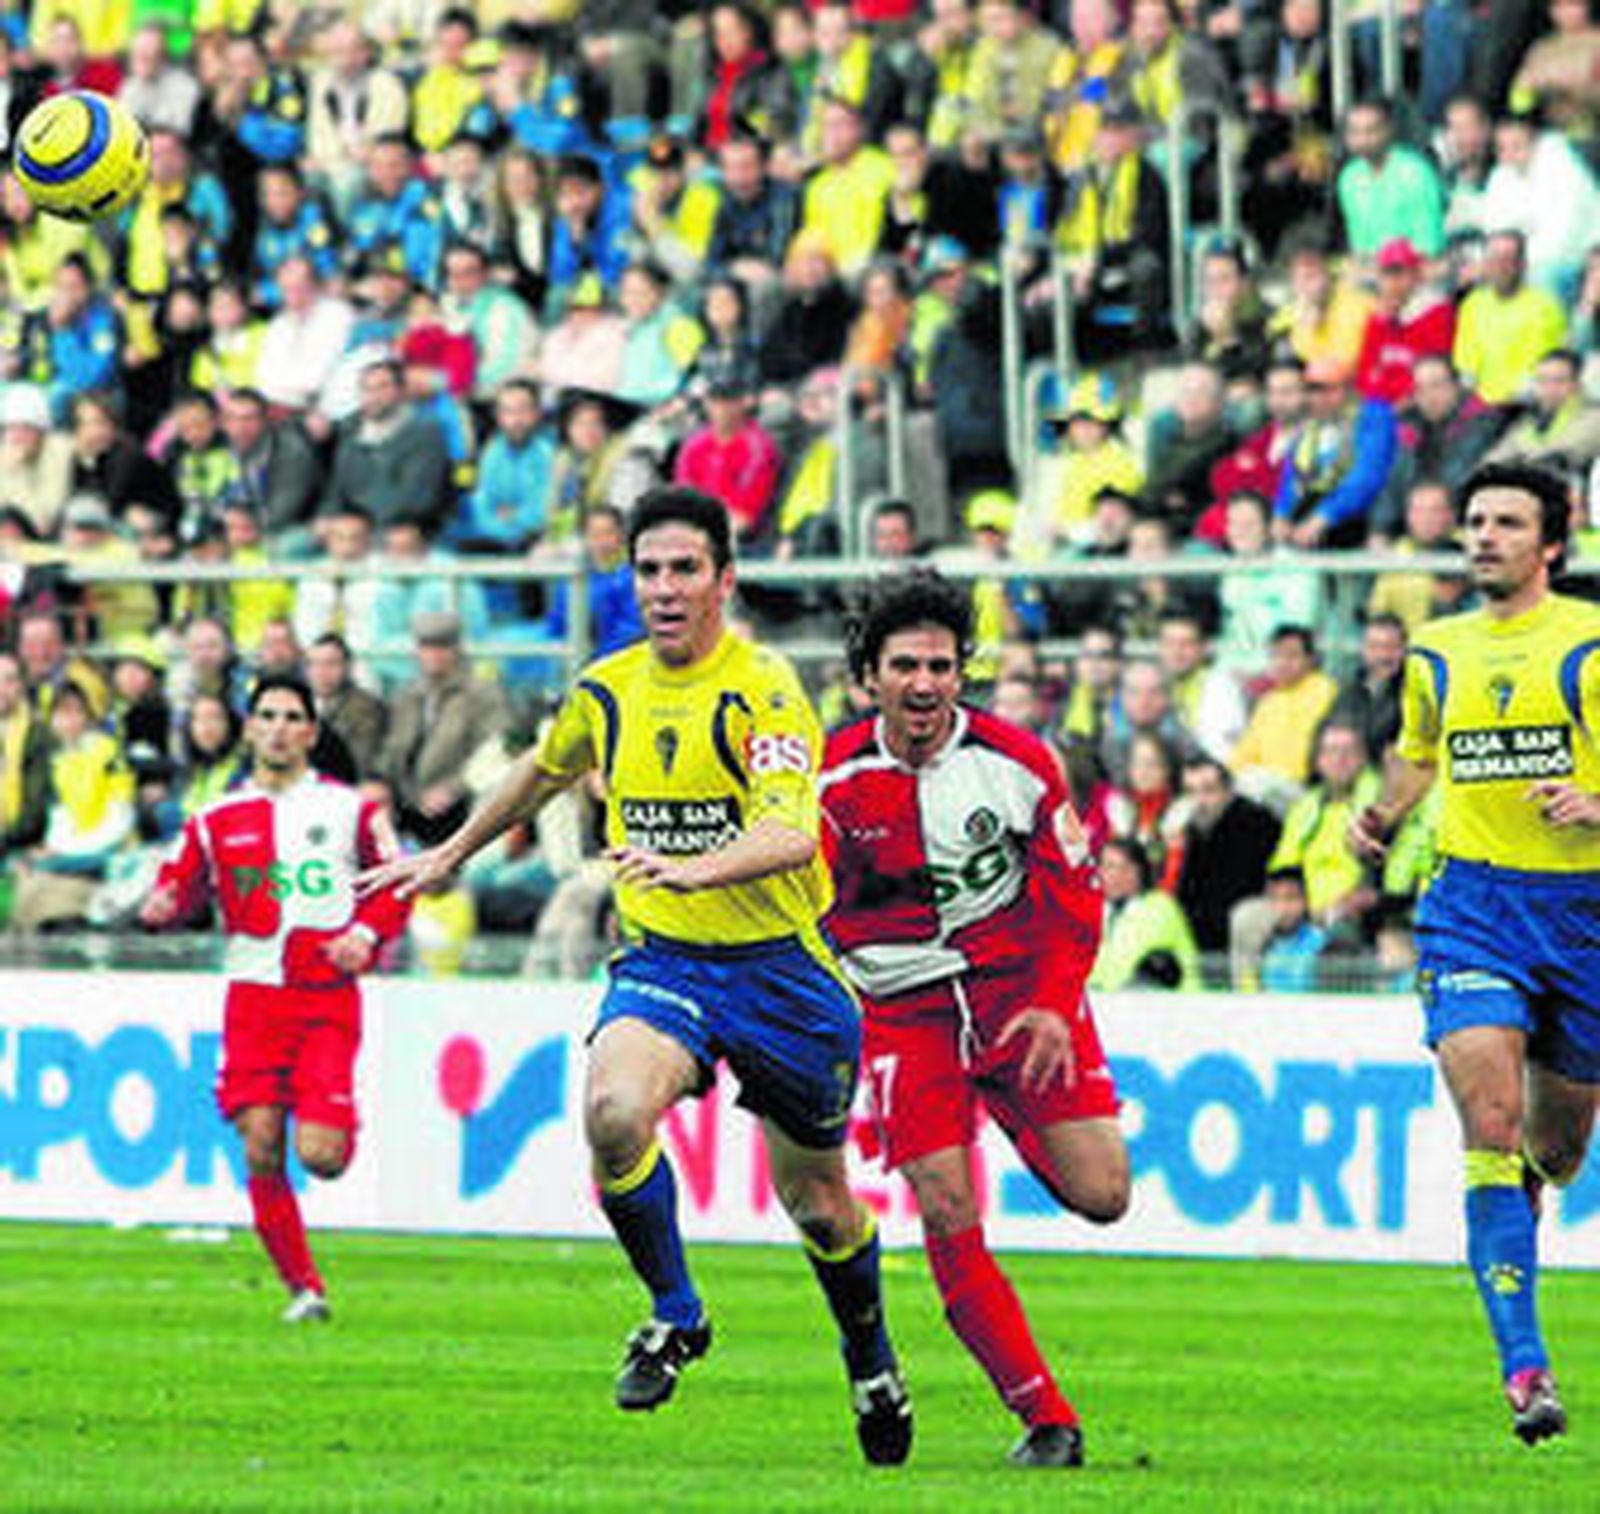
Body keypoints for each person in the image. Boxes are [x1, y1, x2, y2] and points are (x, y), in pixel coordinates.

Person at [358, 487, 912, 1464]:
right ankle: (676, 1311)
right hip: (668, 960)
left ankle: (869, 1356)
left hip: (784, 970)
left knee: (820, 1202)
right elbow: (543, 764)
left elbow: (789, 829)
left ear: (723, 580)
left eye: (684, 568)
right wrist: (449, 851)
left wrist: (695, 866)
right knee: (613, 1110)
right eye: (647, 568)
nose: (662, 586)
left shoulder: (766, 686)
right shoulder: (607, 686)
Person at [820, 568, 1128, 1470]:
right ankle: (1047, 1420)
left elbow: (1077, 893)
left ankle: (1021, 1118)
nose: (925, 683)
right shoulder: (830, 782)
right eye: (905, 665)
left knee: (1104, 1194)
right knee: (948, 1203)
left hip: (1014, 1001)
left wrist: (1052, 1000)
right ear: (868, 675)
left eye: (942, 665)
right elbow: (794, 899)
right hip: (902, 1017)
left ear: (963, 672)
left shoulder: (1019, 763)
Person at [1350, 460, 1600, 1446]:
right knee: (1487, 1120)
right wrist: (1382, 809)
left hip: (1583, 911)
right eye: (1473, 519)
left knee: (1557, 1144)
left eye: (1505, 521)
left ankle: (1529, 1198)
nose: (1482, 535)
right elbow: (1420, 745)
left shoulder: (1588, 642)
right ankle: (1523, 1365)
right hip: (1473, 902)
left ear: (1550, 541)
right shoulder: (1436, 649)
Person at [139, 676, 411, 1323]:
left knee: (322, 1156)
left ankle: (337, 1122)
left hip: (325, 999)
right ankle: (305, 1288)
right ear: (250, 728)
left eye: (293, 716)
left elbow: (397, 883)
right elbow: (176, 886)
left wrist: (365, 932)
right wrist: (163, 904)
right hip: (254, 998)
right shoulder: (214, 818)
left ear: (311, 733)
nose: (280, 727)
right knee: (260, 1145)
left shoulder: (351, 810)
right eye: (268, 715)